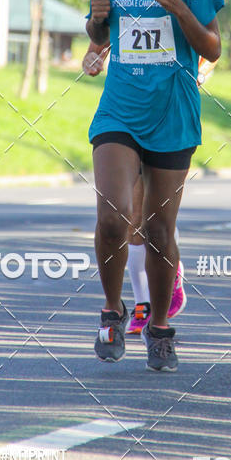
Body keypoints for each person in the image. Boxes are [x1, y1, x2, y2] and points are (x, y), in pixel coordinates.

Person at [86, 0, 222, 370]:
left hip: (173, 114)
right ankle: (111, 311)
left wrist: (180, 8)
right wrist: (95, 21)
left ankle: (160, 328)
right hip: (119, 111)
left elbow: (213, 48)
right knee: (113, 217)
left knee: (159, 230)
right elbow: (99, 34)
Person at [82, 40, 189, 334]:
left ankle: (168, 270)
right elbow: (99, 40)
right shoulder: (121, 6)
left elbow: (211, 46)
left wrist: (200, 72)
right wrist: (92, 56)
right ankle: (142, 302)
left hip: (169, 114)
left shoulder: (184, 7)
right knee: (126, 216)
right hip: (125, 114)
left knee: (154, 221)